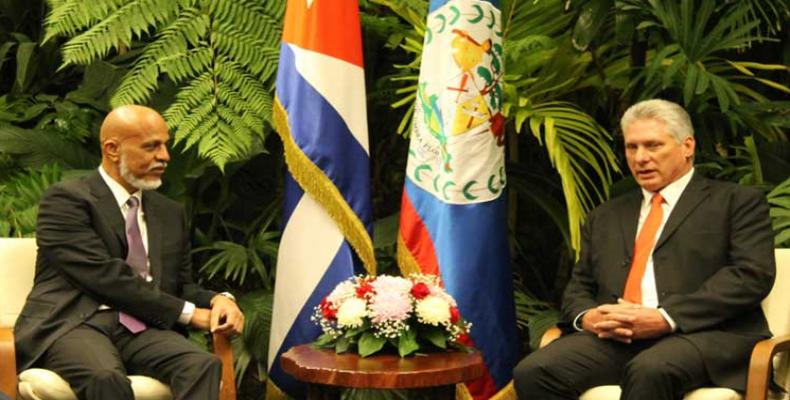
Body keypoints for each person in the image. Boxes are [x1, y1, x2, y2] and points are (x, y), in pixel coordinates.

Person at [513, 99, 776, 399]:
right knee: (534, 371)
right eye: (632, 147)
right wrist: (587, 317)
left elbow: (750, 275)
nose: (640, 158)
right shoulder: (606, 215)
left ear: (687, 146)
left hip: (704, 335)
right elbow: (579, 285)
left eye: (653, 146)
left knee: (650, 370)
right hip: (617, 340)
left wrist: (665, 317)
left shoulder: (736, 202)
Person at [14, 105, 245, 400]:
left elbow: (180, 286)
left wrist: (218, 300)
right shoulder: (67, 200)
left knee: (201, 364)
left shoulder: (169, 212)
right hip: (76, 324)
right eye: (151, 147)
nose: (165, 156)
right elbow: (105, 277)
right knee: (105, 378)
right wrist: (188, 314)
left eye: (165, 145)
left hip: (142, 327)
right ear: (112, 149)